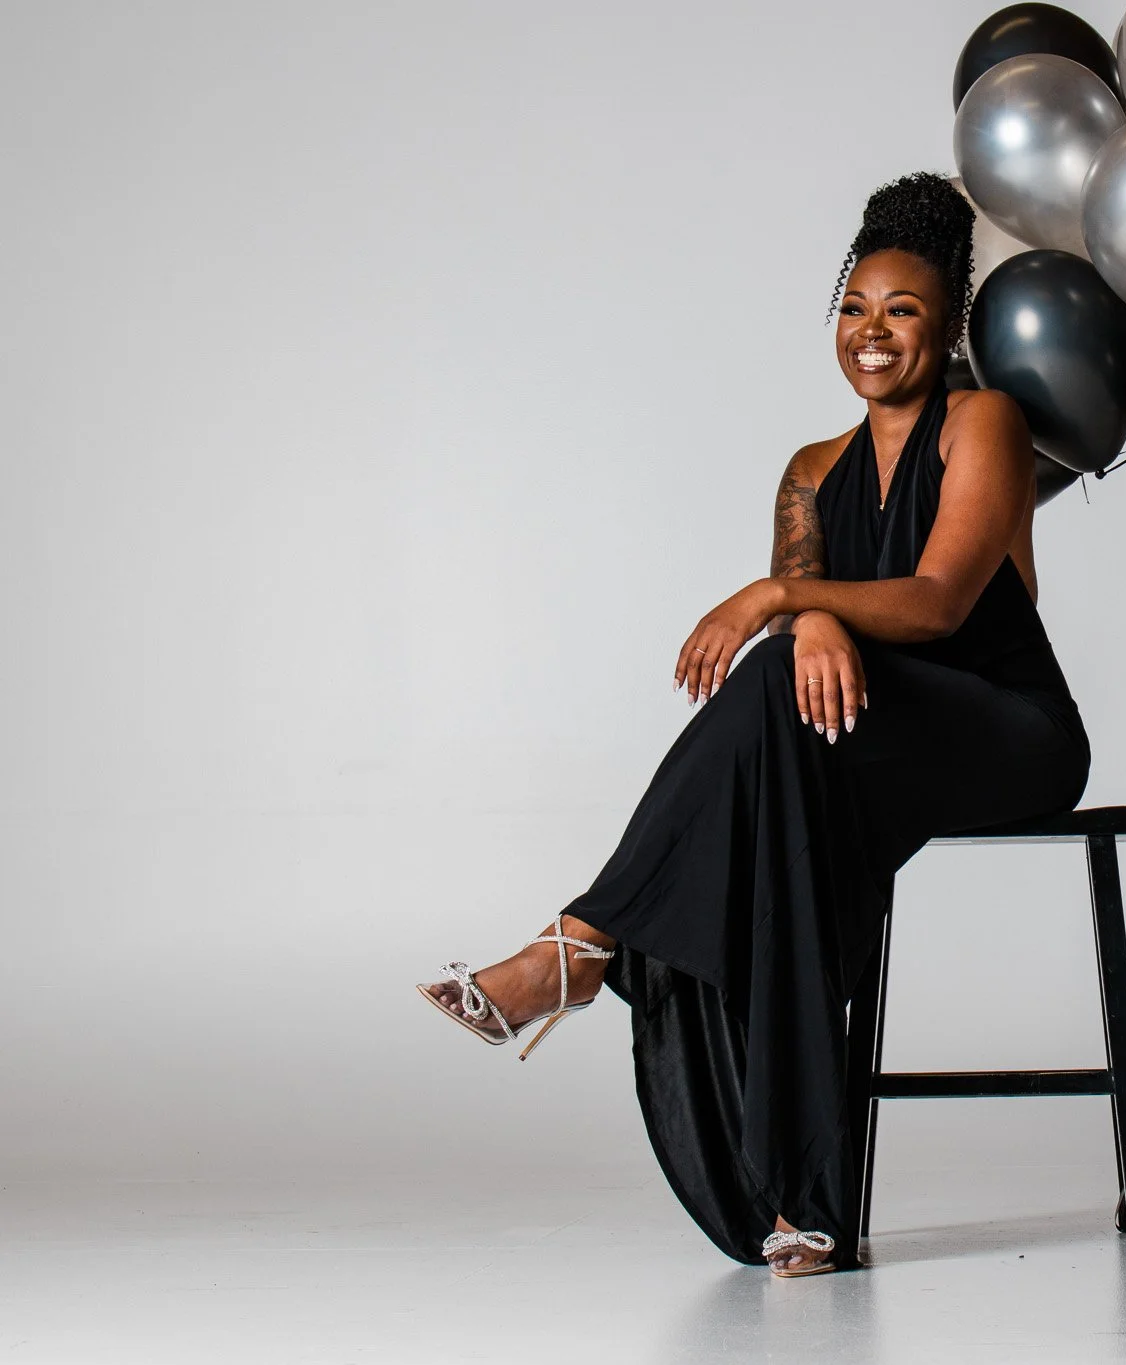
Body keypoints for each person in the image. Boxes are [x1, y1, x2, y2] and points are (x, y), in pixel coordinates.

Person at [417, 173, 1090, 1278]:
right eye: (855, 308)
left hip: (1002, 733)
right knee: (778, 822)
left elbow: (935, 604)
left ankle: (584, 942)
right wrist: (805, 613)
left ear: (948, 325)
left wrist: (780, 602)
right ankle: (802, 1203)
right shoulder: (810, 474)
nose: (872, 333)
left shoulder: (986, 423)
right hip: (859, 740)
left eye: (903, 310)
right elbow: (810, 653)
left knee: (778, 686)